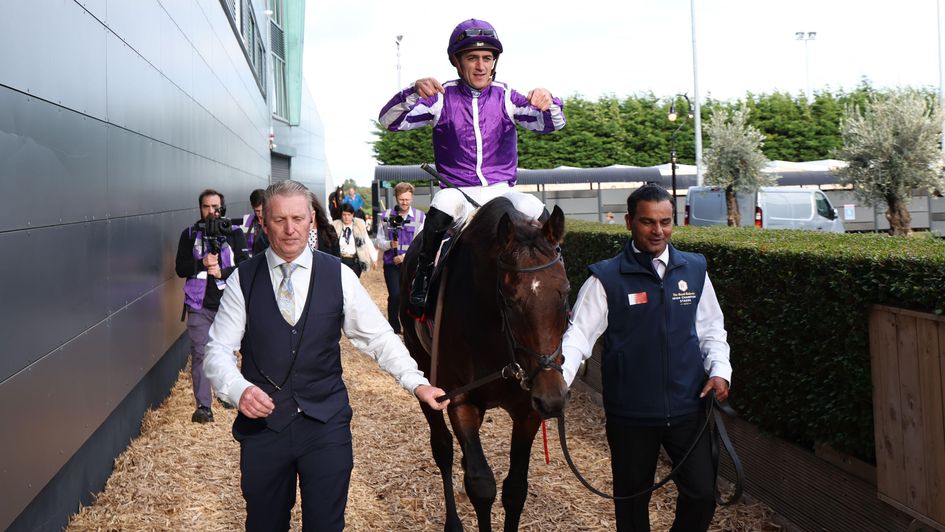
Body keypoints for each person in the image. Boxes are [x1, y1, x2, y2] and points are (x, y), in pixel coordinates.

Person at [204, 180, 448, 531]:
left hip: (326, 426)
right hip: (264, 430)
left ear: (312, 221)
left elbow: (379, 338)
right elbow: (217, 350)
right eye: (280, 220)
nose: (290, 229)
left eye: (298, 218)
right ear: (264, 223)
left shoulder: (341, 276)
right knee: (264, 524)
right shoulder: (243, 279)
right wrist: (237, 389)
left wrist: (417, 383)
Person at [561, 184, 732, 532]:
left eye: (666, 222)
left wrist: (720, 371)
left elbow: (712, 329)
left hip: (689, 408)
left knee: (701, 495)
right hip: (631, 415)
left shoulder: (694, 269)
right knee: (632, 506)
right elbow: (578, 337)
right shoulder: (605, 278)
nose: (658, 231)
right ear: (629, 222)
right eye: (648, 222)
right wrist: (558, 383)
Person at [378, 18, 566, 317]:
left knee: (535, 208)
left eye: (487, 58)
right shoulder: (440, 98)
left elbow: (553, 124)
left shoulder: (506, 96)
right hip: (458, 192)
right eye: (472, 58)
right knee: (440, 208)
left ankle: (557, 283)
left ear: (494, 62)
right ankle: (423, 279)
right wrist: (412, 92)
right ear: (456, 62)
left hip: (502, 191)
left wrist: (550, 100)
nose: (481, 66)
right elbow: (388, 121)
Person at [175, 189, 249, 423]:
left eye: (215, 207)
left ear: (223, 208)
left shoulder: (235, 234)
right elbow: (180, 268)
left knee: (228, 351)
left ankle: (227, 393)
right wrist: (201, 262)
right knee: (200, 353)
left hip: (229, 303)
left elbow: (246, 267)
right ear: (200, 208)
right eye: (206, 207)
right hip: (198, 303)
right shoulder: (188, 234)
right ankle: (204, 407)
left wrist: (221, 271)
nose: (211, 211)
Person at [375, 182, 426, 333]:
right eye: (401, 199)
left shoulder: (420, 217)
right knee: (395, 295)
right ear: (396, 198)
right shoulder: (385, 217)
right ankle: (394, 328)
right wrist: (390, 244)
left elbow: (422, 242)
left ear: (412, 198)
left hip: (411, 264)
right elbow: (378, 241)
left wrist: (405, 257)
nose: (404, 203)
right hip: (391, 264)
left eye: (407, 199)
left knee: (410, 295)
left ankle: (410, 327)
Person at [331, 203, 376, 278]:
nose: (346, 217)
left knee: (353, 285)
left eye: (349, 215)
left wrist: (374, 258)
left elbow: (367, 241)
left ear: (353, 214)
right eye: (344, 215)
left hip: (354, 262)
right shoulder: (335, 226)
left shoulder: (359, 225)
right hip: (340, 261)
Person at [240, 188, 269, 257]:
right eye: (257, 211)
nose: (261, 214)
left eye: (263, 210)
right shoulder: (246, 221)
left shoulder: (273, 223)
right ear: (252, 207)